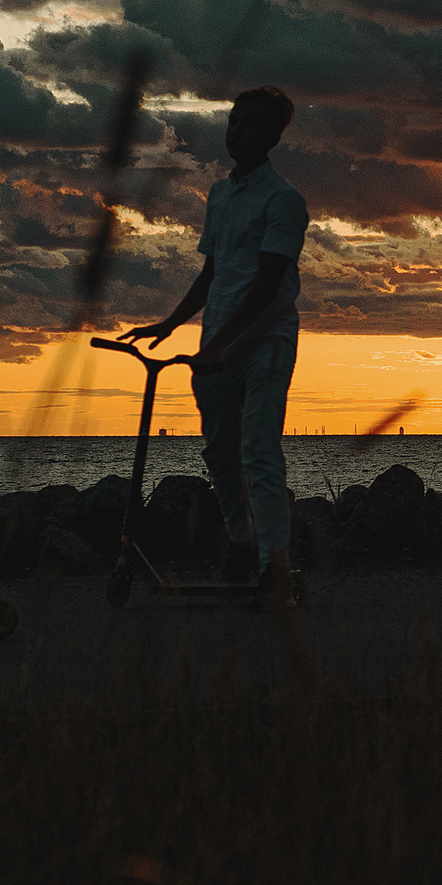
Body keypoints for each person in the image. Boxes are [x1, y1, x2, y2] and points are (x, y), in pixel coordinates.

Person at [122, 86, 307, 599]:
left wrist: (219, 346)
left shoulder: (284, 201)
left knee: (259, 450)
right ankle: (242, 541)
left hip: (264, 340)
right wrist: (170, 324)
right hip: (215, 344)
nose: (236, 131)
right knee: (220, 453)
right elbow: (213, 271)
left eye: (248, 124)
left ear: (273, 136)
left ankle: (276, 564)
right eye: (233, 121)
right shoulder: (221, 195)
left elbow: (268, 285)